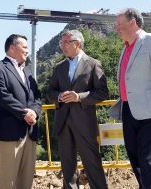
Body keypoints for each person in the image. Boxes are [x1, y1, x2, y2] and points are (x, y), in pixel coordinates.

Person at [109, 8, 151, 189]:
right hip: (128, 110)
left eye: (120, 25)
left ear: (133, 23)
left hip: (150, 111)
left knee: (148, 161)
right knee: (135, 160)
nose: (117, 29)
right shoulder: (126, 48)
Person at [47, 29, 109, 189]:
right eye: (61, 43)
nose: (62, 46)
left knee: (93, 166)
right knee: (68, 170)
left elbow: (103, 92)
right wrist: (59, 96)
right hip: (63, 124)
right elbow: (50, 92)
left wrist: (79, 97)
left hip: (85, 124)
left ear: (78, 44)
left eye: (66, 43)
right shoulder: (59, 67)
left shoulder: (93, 64)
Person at [0, 34, 42, 189]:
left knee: (26, 180)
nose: (27, 51)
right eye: (24, 47)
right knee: (7, 181)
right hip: (9, 134)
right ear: (12, 48)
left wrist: (35, 113)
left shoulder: (28, 71)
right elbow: (3, 96)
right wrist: (25, 113)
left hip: (29, 132)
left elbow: (37, 96)